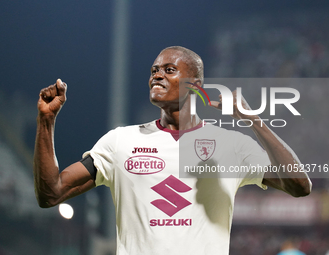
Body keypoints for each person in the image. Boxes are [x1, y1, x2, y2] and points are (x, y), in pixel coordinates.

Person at [34, 46, 312, 255]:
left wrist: (255, 122)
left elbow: (299, 186)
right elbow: (51, 194)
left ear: (195, 86)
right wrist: (46, 122)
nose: (157, 75)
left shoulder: (232, 146)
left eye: (169, 70)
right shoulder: (120, 141)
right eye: (154, 70)